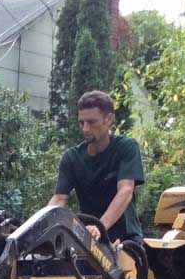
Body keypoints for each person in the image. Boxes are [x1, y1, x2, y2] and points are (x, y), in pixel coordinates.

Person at [47, 90, 145, 243]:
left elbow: (126, 191)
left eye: (92, 122)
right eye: (81, 122)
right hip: (88, 240)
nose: (85, 128)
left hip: (126, 240)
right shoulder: (72, 158)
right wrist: (40, 224)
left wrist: (100, 226)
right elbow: (59, 199)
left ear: (108, 119)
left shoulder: (126, 147)